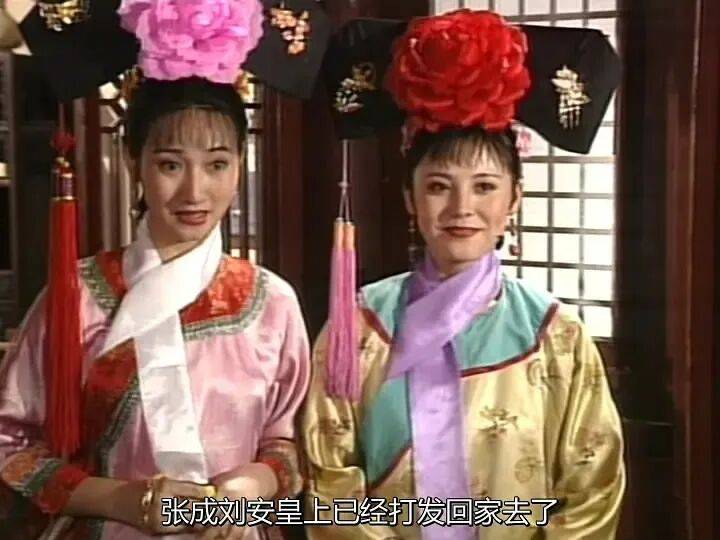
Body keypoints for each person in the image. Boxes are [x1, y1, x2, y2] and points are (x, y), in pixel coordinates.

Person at [0, 0, 331, 538]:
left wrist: (253, 484)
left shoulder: (270, 301)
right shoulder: (75, 294)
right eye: (171, 164)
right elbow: (11, 444)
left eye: (217, 164)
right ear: (133, 161)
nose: (195, 191)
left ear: (239, 165)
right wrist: (120, 498)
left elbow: (289, 444)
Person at [302, 10, 625, 539]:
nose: (461, 209)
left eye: (484, 186)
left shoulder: (555, 334)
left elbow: (592, 488)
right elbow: (329, 480)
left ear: (514, 199)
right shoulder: (357, 326)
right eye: (438, 186)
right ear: (410, 198)